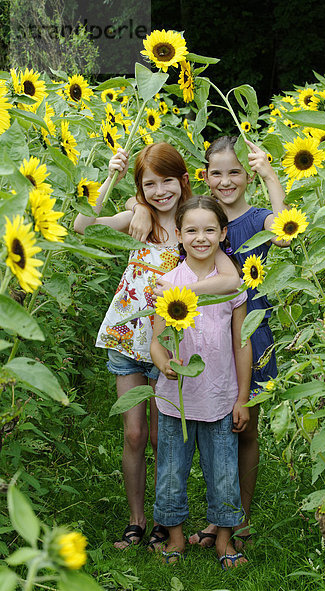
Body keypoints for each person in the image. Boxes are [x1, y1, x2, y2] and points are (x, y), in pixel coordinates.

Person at [74, 143, 241, 551]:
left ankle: (168, 520)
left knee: (162, 438)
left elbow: (230, 280)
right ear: (141, 188)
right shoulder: (137, 219)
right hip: (127, 337)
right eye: (149, 184)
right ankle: (136, 520)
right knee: (134, 434)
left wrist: (179, 289)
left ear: (184, 180)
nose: (160, 190)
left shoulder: (193, 223)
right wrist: (112, 178)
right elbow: (82, 225)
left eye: (168, 180)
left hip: (171, 342)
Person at [127, 136, 290, 550]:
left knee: (245, 429)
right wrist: (137, 206)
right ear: (203, 177)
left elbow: (283, 232)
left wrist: (271, 175)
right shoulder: (197, 221)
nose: (225, 179)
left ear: (247, 176)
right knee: (208, 443)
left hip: (245, 332)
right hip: (197, 340)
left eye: (235, 171)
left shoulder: (253, 220)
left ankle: (235, 522)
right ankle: (214, 525)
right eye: (217, 172)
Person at [150, 195, 252, 568]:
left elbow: (242, 343)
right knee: (171, 472)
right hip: (175, 398)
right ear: (178, 235)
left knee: (224, 472)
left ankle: (224, 540)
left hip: (221, 395)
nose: (201, 238)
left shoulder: (229, 287)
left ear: (223, 233)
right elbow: (156, 341)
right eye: (191, 230)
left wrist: (242, 397)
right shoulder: (167, 284)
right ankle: (175, 537)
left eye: (210, 229)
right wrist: (164, 364)